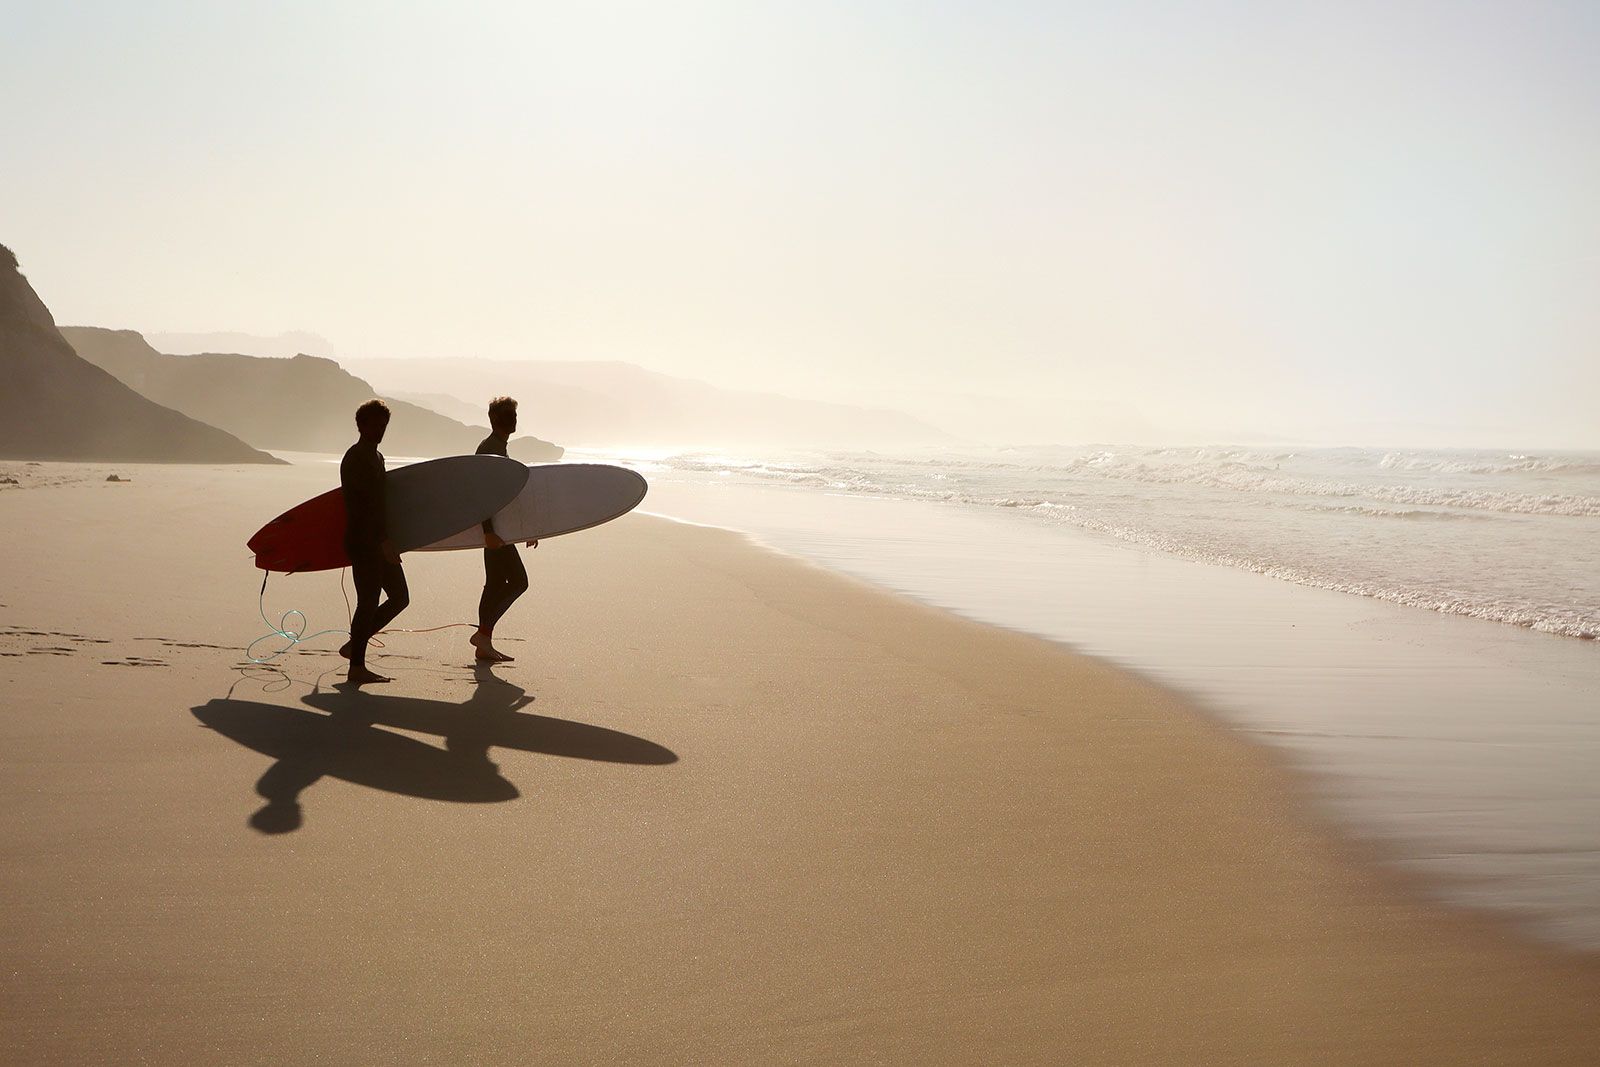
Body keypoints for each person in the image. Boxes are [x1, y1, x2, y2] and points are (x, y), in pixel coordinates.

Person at [340, 399, 409, 684]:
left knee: (400, 597)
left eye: (384, 425)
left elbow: (381, 504)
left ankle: (355, 645)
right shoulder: (356, 458)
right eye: (376, 425)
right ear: (361, 425)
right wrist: (382, 541)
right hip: (364, 541)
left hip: (380, 541)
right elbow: (363, 507)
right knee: (367, 602)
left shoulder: (377, 457)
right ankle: (356, 666)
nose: (381, 430)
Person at [470, 396, 530, 663]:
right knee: (518, 581)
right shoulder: (490, 449)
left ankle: (484, 644)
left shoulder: (499, 448)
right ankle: (483, 635)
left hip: (500, 529)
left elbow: (504, 495)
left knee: (494, 583)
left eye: (514, 415)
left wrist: (526, 529)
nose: (513, 419)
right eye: (508, 415)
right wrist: (488, 531)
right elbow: (480, 495)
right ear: (494, 419)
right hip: (495, 531)